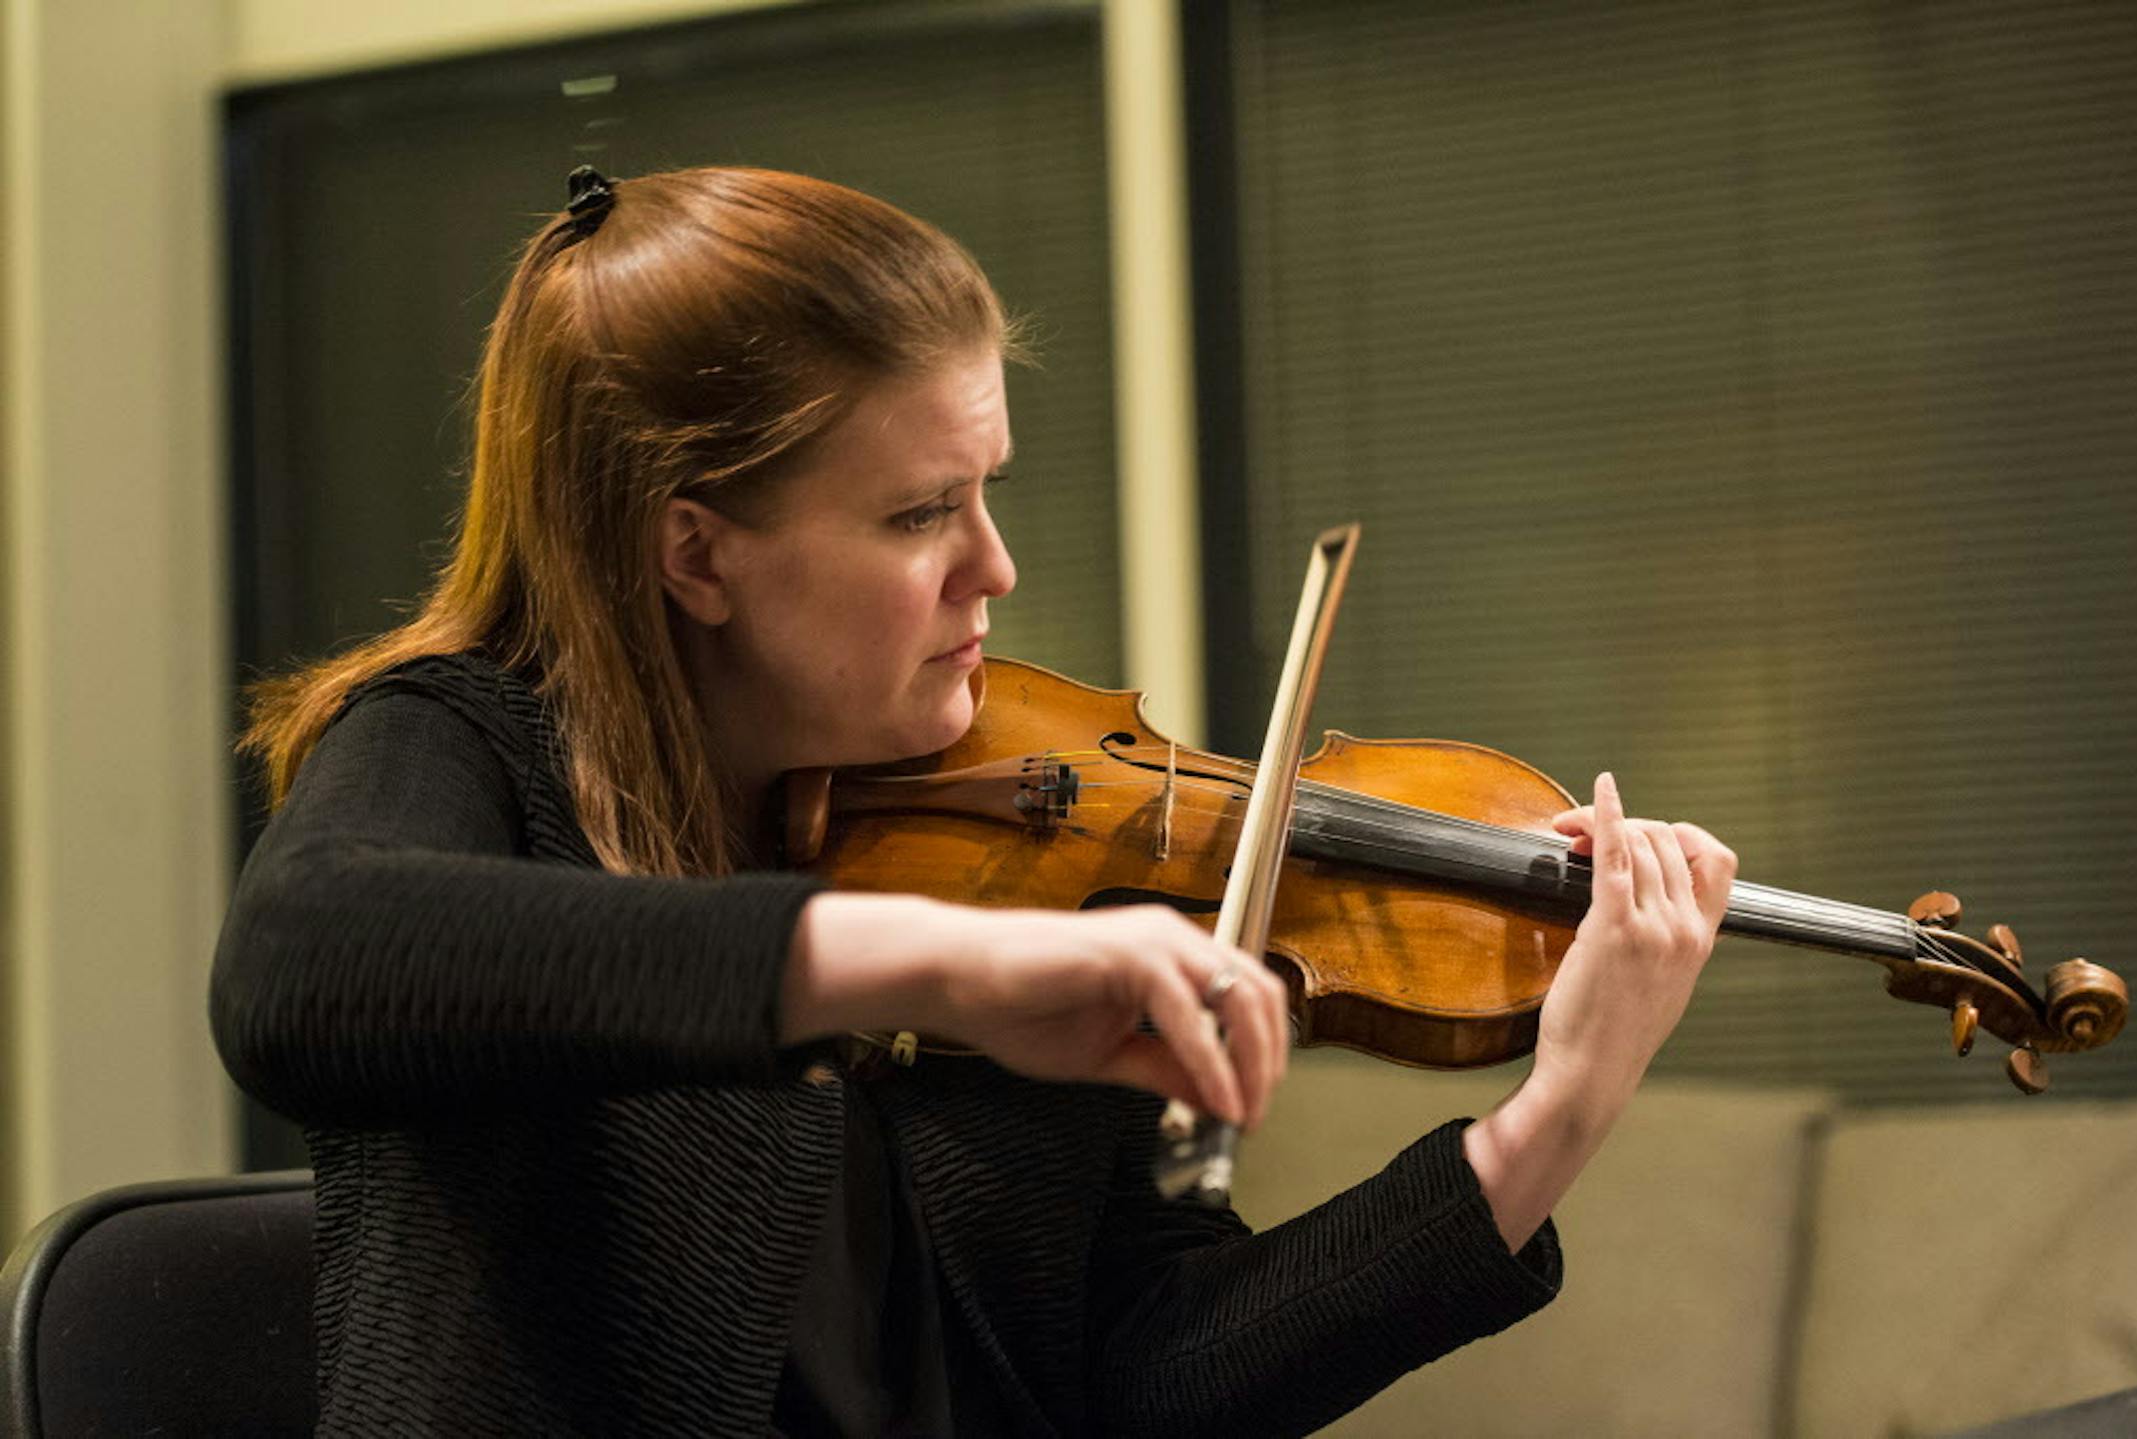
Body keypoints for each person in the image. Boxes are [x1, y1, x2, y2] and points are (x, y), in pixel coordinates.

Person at [211, 165, 1736, 1437]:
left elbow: (1141, 1378)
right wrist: (933, 968)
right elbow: (305, 961)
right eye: (922, 512)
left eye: (987, 489)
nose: (992, 567)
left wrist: (1553, 1119)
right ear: (696, 556)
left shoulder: (1016, 858)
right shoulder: (470, 754)